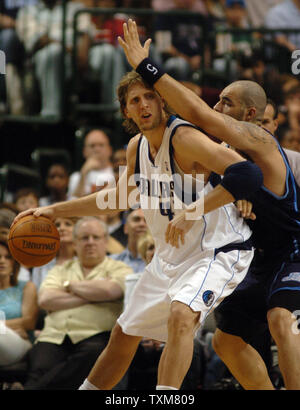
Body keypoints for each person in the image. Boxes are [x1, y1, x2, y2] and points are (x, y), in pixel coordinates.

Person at [14, 63, 263, 390]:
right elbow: (116, 199)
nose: (143, 104)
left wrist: (192, 210)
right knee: (123, 334)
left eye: (150, 96)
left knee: (181, 316)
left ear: (163, 102)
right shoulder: (137, 149)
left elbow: (248, 174)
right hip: (170, 258)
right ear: (126, 111)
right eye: (134, 100)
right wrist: (51, 209)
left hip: (216, 250)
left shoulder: (184, 138)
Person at [117, 19, 300, 389]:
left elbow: (198, 113)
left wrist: (146, 68)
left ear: (250, 116)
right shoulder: (224, 156)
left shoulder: (260, 141)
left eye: (225, 102)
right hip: (255, 258)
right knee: (225, 341)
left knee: (282, 319)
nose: (216, 106)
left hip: (291, 252)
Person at [23, 217, 133, 390]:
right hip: (54, 335)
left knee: (92, 355)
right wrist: (93, 294)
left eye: (95, 237)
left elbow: (110, 291)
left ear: (105, 240)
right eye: (84, 238)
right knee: (40, 364)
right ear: (75, 242)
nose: (90, 242)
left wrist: (68, 287)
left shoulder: (121, 268)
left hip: (96, 335)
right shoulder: (59, 270)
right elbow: (45, 299)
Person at [0, 240, 38, 367]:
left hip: (20, 342)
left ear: (14, 263)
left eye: (8, 257)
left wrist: (3, 329)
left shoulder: (27, 287)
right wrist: (9, 328)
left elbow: (29, 322)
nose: (2, 261)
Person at [263, 98, 300, 186]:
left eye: (265, 122)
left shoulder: (295, 160)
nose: (260, 128)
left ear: (275, 124)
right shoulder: (230, 156)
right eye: (255, 122)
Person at [68, 128, 114, 198]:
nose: (97, 149)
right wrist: (84, 173)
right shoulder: (76, 177)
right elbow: (72, 204)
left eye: (101, 145)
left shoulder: (118, 173)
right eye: (92, 146)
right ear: (84, 151)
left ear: (110, 150)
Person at [110, 208, 147, 273]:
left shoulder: (161, 262)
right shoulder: (112, 262)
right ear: (125, 228)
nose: (142, 224)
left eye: (146, 221)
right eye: (136, 220)